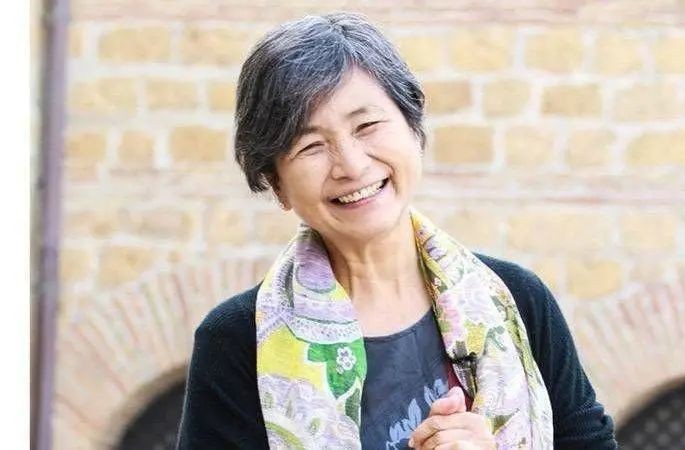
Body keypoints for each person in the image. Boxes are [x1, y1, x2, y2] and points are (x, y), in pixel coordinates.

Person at [176, 12, 617, 450]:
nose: (351, 165)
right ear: (277, 184)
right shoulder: (236, 341)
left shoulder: (516, 299)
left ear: (413, 126)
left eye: (366, 126)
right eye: (311, 146)